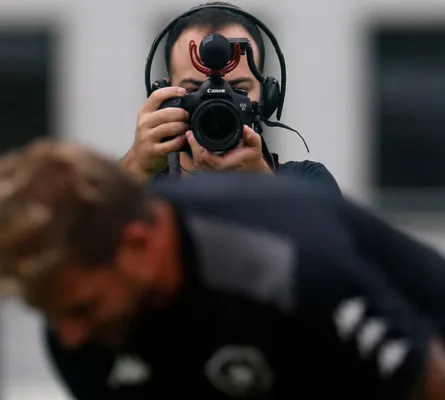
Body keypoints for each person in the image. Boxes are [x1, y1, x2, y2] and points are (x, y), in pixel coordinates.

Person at [0, 141, 445, 399]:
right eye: (51, 313)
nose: (69, 336)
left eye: (81, 308)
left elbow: (426, 384)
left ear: (138, 244)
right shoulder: (81, 334)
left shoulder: (288, 260)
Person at [120, 2, 341, 196]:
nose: (216, 103)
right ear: (166, 100)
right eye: (195, 89)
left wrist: (264, 188)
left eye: (237, 89)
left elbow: (327, 243)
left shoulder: (308, 184)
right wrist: (136, 168)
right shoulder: (140, 191)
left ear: (266, 99)